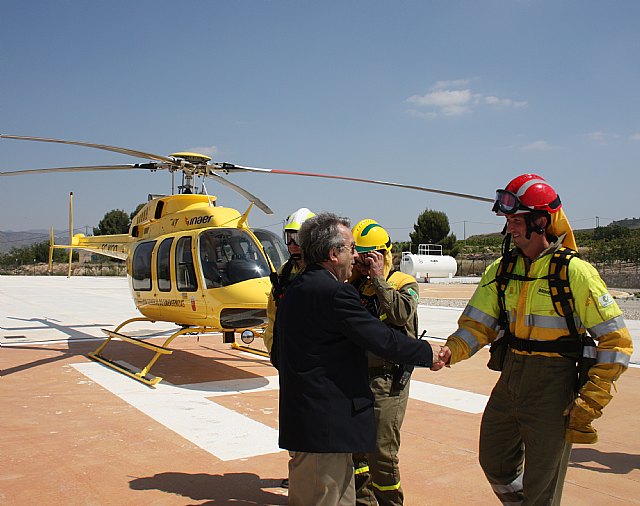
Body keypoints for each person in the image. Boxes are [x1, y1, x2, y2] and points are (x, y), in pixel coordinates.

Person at [438, 174, 633, 505]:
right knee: (494, 460)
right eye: (508, 220)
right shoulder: (501, 270)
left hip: (553, 386)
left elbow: (617, 342)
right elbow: (478, 325)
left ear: (541, 221)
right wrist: (450, 351)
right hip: (512, 374)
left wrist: (592, 399)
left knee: (542, 482)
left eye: (517, 220)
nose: (510, 228)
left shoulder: (575, 273)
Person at [272, 212, 444, 506]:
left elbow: (278, 354)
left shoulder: (294, 291)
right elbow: (382, 339)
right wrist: (429, 353)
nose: (356, 257)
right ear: (333, 253)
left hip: (306, 425)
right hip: (325, 431)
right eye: (351, 249)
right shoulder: (337, 294)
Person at [349, 219, 420, 506]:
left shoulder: (403, 283)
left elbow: (400, 314)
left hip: (388, 381)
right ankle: (363, 501)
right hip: (357, 377)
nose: (363, 265)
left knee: (382, 451)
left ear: (382, 255)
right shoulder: (354, 285)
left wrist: (378, 278)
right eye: (358, 257)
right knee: (357, 450)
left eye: (369, 257)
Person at [263, 207, 315, 355]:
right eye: (289, 237)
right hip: (289, 352)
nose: (292, 244)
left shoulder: (325, 271)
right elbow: (272, 316)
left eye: (298, 238)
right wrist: (274, 349)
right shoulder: (284, 272)